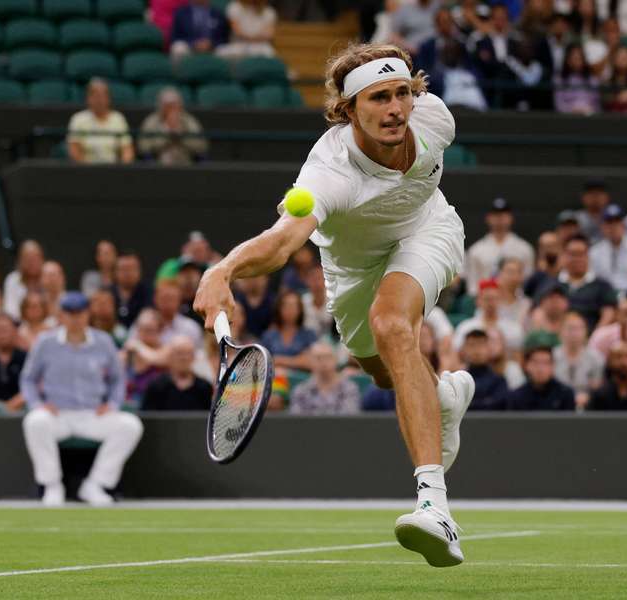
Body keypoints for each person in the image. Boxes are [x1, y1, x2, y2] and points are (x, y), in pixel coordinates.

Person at [194, 43, 477, 567]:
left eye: (402, 94)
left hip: (428, 232)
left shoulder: (435, 119)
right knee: (385, 370)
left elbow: (419, 112)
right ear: (348, 110)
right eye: (378, 99)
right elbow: (281, 244)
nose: (395, 109)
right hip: (349, 270)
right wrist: (224, 268)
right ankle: (441, 398)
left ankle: (434, 506)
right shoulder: (329, 172)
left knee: (393, 325)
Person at [20, 292, 143, 506]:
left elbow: (117, 379)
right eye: (69, 313)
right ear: (61, 315)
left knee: (130, 425)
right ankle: (52, 485)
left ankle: (96, 484)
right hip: (57, 415)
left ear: (87, 314)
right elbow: (28, 379)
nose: (75, 318)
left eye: (79, 313)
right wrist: (38, 404)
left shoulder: (104, 342)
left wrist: (112, 404)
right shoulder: (45, 343)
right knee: (35, 421)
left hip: (92, 414)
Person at [464, 197, 534, 295]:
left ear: (511, 217)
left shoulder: (524, 249)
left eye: (504, 214)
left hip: (516, 303)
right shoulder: (476, 250)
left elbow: (528, 281)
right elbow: (472, 286)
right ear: (488, 218)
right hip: (486, 302)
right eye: (495, 214)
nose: (500, 218)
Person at [556, 234, 617, 332]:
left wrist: (594, 337)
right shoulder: (552, 285)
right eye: (573, 254)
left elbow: (609, 314)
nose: (577, 259)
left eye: (581, 254)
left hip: (592, 339)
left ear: (588, 256)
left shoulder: (603, 286)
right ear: (564, 255)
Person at [67, 79, 134, 164]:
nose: (99, 100)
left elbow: (127, 150)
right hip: (85, 170)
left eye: (103, 96)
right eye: (95, 96)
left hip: (113, 170)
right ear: (88, 98)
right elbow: (74, 151)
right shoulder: (78, 119)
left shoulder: (118, 119)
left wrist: (122, 169)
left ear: (108, 98)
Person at [138, 87, 208, 166]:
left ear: (180, 104)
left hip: (187, 167)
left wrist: (181, 136)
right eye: (167, 105)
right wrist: (166, 136)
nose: (171, 108)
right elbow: (143, 148)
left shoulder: (189, 121)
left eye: (174, 104)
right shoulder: (151, 122)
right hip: (158, 168)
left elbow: (201, 147)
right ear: (160, 105)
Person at [141, 335, 212, 411]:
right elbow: (147, 418)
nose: (183, 358)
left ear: (193, 357)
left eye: (187, 353)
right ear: (170, 356)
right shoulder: (156, 387)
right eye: (179, 353)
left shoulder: (204, 388)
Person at [453, 278, 524, 354]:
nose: (490, 303)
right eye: (487, 299)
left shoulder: (513, 328)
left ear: (500, 300)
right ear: (478, 301)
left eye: (494, 298)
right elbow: (457, 352)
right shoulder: (466, 327)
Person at [290, 341, 361, 414]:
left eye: (327, 357)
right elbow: (297, 421)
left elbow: (350, 419)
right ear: (310, 361)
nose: (323, 362)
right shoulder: (301, 391)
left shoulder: (349, 389)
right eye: (318, 358)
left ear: (335, 359)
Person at [552, 311, 603, 409]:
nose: (575, 333)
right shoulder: (552, 356)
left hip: (588, 405)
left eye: (579, 328)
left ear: (586, 331)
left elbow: (597, 388)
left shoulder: (596, 358)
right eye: (570, 328)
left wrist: (588, 397)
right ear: (561, 331)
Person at [259, 291, 318, 371]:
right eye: (286, 306)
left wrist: (280, 360)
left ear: (300, 309)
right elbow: (261, 363)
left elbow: (313, 362)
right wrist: (298, 360)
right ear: (279, 308)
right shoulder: (269, 336)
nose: (290, 310)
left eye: (294, 306)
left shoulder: (309, 335)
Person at [504, 344, 575, 410]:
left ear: (553, 366)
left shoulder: (565, 394)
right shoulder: (516, 397)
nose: (540, 368)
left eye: (545, 363)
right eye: (535, 362)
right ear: (526, 366)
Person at [122, 309, 168, 407]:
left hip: (158, 405)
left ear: (160, 331)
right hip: (130, 405)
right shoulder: (130, 352)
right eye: (141, 329)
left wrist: (137, 345)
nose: (143, 334)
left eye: (149, 330)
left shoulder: (166, 350)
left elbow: (155, 359)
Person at [461, 328, 507, 410]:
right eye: (472, 345)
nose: (476, 350)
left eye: (481, 344)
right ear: (464, 350)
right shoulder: (459, 381)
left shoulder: (499, 382)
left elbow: (497, 405)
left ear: (489, 349)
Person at [554, 43, 600, 115]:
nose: (576, 61)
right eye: (574, 58)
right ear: (567, 60)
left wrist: (589, 110)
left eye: (579, 58)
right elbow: (559, 105)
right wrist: (573, 110)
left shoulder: (592, 80)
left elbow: (597, 105)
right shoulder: (559, 79)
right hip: (568, 120)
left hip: (589, 119)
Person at [3, 240, 44, 320]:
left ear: (42, 258)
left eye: (35, 257)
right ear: (20, 260)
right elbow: (10, 310)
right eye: (28, 258)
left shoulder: (49, 276)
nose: (32, 262)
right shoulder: (13, 279)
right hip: (20, 326)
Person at [111, 251, 153, 329]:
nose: (128, 273)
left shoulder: (149, 291)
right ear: (115, 272)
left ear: (139, 271)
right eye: (123, 269)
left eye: (131, 269)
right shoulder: (107, 293)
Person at [301, 263, 334, 338]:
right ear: (307, 281)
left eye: (319, 278)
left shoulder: (334, 301)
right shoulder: (301, 303)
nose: (317, 283)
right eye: (313, 279)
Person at [495, 257, 531, 324]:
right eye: (510, 272)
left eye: (518, 272)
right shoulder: (490, 300)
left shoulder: (526, 304)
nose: (514, 276)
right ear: (500, 274)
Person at [574, 179, 610, 244]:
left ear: (606, 197)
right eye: (591, 193)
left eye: (599, 193)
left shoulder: (614, 217)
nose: (595, 197)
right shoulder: (575, 219)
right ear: (583, 197)